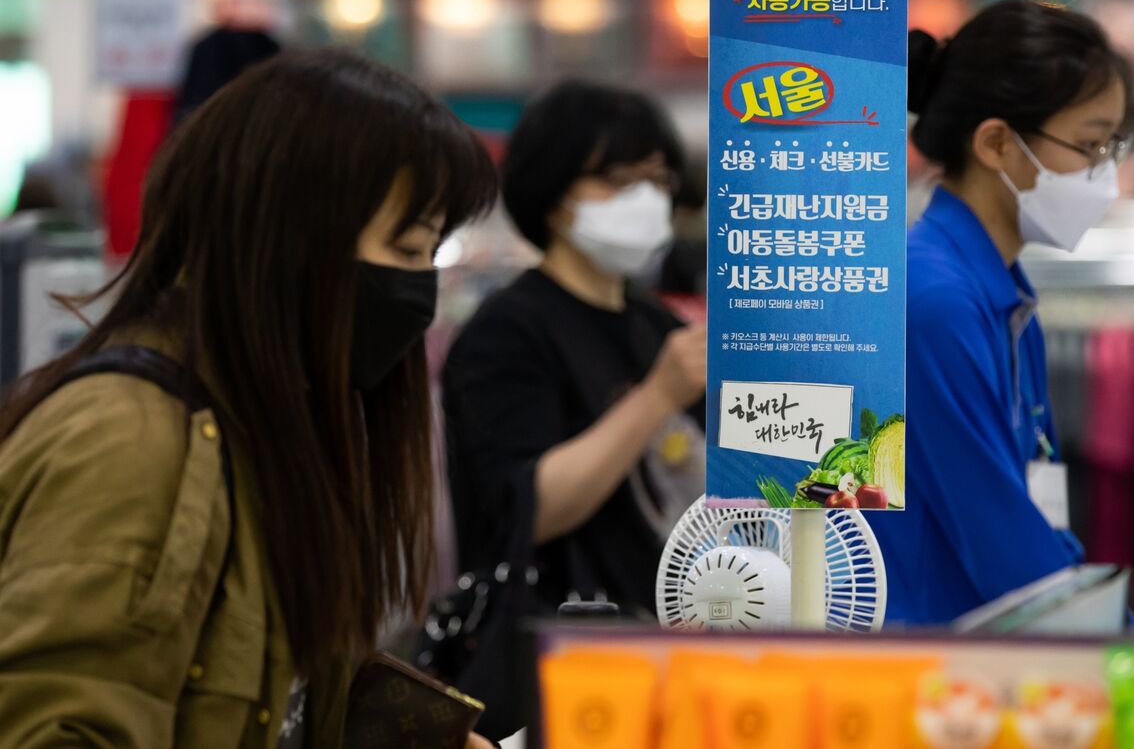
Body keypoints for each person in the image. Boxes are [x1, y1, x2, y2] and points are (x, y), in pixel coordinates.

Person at [0, 50, 497, 747]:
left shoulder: (262, 425)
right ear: (290, 241)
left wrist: (429, 736)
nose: (420, 290)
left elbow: (278, 688)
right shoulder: (130, 443)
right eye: (407, 248)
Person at [870, 0, 1134, 625]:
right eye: (1089, 145)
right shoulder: (932, 301)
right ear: (995, 143)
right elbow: (1005, 550)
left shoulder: (1002, 293)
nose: (1105, 173)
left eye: (1111, 146)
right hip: (935, 667)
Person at [443, 80, 707, 621]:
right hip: (548, 640)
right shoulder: (506, 332)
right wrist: (657, 396)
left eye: (658, 179)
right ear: (555, 193)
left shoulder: (657, 324)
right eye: (618, 181)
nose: (646, 199)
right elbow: (529, 509)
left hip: (667, 630)